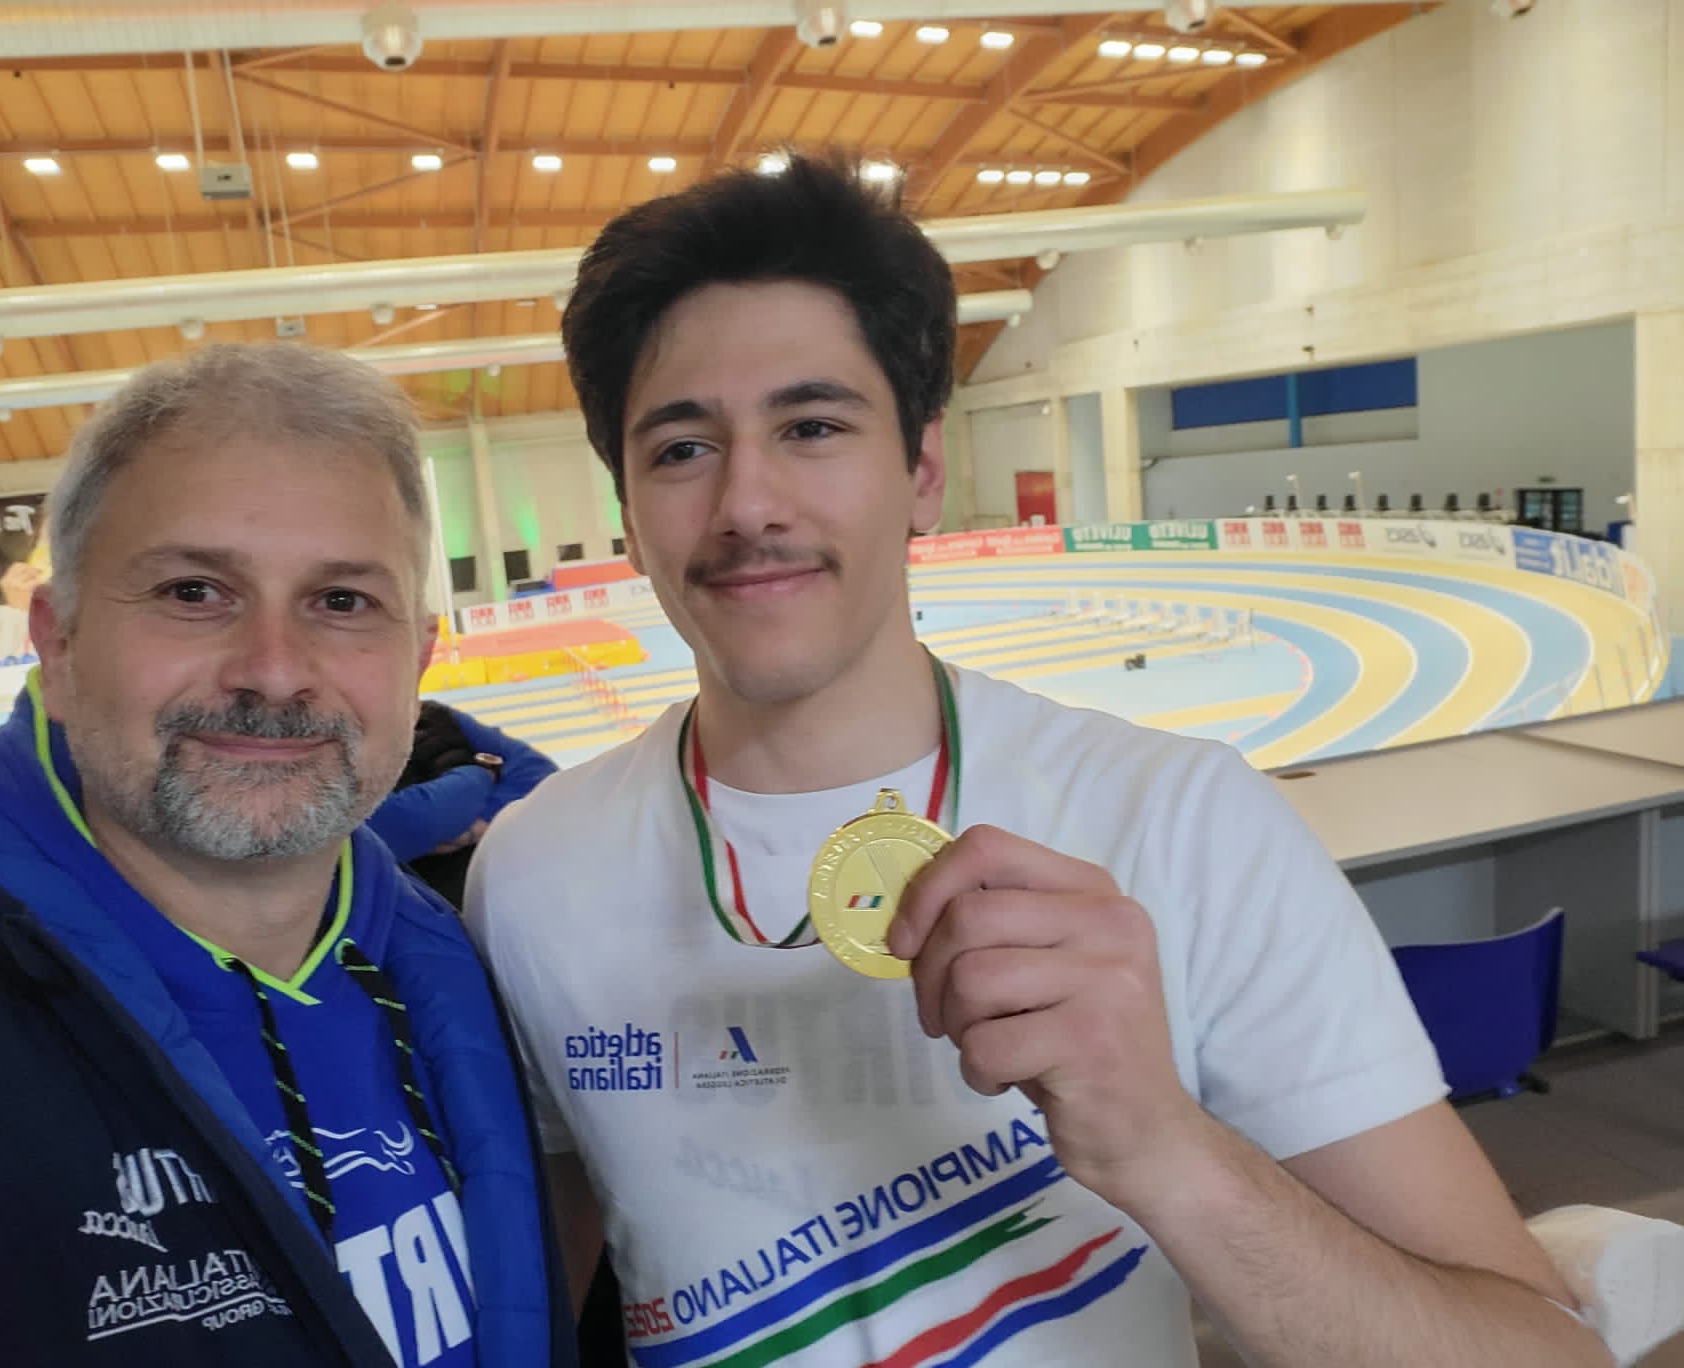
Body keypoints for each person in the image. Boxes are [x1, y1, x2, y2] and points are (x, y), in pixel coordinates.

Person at [462, 154, 1611, 1367]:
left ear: (921, 471)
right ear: (628, 512)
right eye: (682, 449)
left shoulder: (1184, 824)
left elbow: (1547, 1354)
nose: (748, 501)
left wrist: (1164, 1143)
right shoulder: (532, 876)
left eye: (812, 426)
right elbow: (539, 1312)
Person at [0, 343, 574, 1368]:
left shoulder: (452, 954)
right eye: (194, 591)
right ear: (58, 642)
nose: (274, 672)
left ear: (417, 659)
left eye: (342, 602)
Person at [370, 699, 559, 907]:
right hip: (431, 905)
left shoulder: (436, 716)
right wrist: (481, 775)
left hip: (506, 891)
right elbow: (407, 822)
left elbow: (538, 773)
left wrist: (474, 826)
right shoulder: (346, 754)